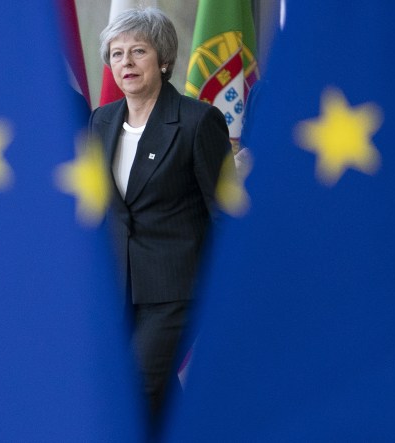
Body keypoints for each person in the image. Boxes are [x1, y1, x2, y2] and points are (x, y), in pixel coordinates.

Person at [90, 7, 230, 419]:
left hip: (177, 291)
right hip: (120, 289)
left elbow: (223, 213)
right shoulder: (102, 120)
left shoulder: (197, 121)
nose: (126, 63)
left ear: (164, 59)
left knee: (133, 395)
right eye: (116, 54)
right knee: (159, 400)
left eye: (138, 51)